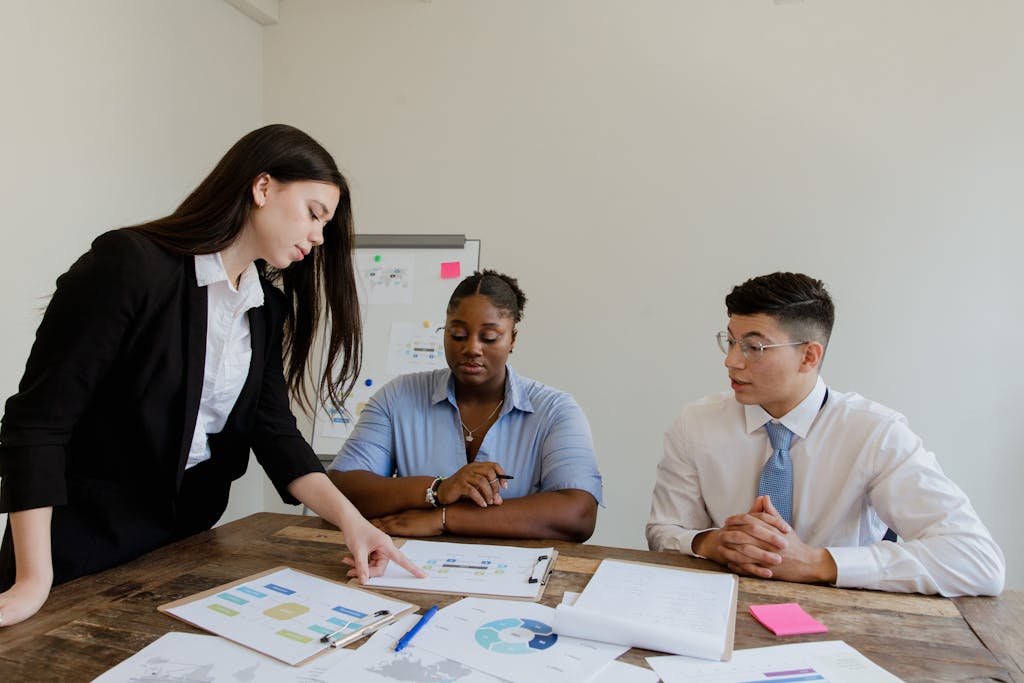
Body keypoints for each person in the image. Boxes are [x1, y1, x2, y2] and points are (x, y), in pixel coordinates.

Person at [0, 124, 423, 629]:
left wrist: (355, 525)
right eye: (314, 214)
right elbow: (37, 426)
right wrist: (32, 580)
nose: (318, 236)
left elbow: (274, 432)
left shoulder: (265, 306)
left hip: (183, 547)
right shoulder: (130, 266)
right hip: (76, 549)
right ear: (262, 187)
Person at [646, 272, 1005, 597]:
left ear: (808, 357)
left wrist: (818, 563)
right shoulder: (696, 423)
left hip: (844, 620)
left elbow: (978, 561)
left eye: (753, 347)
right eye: (730, 341)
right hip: (717, 605)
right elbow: (664, 530)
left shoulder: (875, 433)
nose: (732, 362)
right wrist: (710, 543)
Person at [327, 270, 602, 542]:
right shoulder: (399, 396)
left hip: (518, 575)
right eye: (457, 334)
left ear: (512, 340)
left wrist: (443, 519)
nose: (471, 348)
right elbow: (339, 489)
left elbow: (578, 514)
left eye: (489, 337)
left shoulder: (556, 410)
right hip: (407, 570)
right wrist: (437, 490)